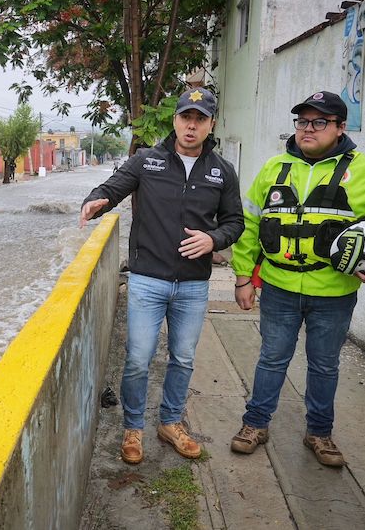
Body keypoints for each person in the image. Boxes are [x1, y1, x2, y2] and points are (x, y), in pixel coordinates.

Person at [230, 91, 365, 466]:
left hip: (334, 294)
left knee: (324, 365)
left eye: (319, 122)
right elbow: (251, 224)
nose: (308, 128)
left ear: (340, 127)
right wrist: (243, 278)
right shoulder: (274, 168)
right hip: (278, 288)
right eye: (302, 121)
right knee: (271, 359)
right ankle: (255, 423)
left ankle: (319, 433)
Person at [80, 87, 244, 464]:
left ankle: (170, 422)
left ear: (210, 124)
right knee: (138, 357)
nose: (191, 125)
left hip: (192, 284)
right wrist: (95, 200)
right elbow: (112, 188)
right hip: (147, 280)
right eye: (186, 117)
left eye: (199, 119)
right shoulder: (146, 161)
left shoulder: (222, 171)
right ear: (175, 120)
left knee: (183, 358)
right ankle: (133, 428)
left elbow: (235, 222)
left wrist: (213, 238)